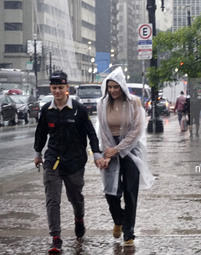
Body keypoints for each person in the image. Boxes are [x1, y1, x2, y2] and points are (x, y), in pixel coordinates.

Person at [34, 71, 105, 253]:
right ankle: (56, 239)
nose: (57, 91)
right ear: (51, 88)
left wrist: (96, 153)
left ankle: (79, 218)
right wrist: (38, 153)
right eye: (54, 88)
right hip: (53, 161)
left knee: (75, 197)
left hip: (74, 161)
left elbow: (91, 133)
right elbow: (41, 133)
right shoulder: (46, 110)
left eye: (61, 87)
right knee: (52, 200)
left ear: (67, 88)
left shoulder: (79, 109)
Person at [96, 67, 155, 247]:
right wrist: (109, 150)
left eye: (116, 87)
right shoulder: (102, 104)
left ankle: (128, 232)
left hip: (131, 148)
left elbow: (137, 130)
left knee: (130, 192)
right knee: (111, 191)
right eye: (110, 87)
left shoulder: (134, 103)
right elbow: (102, 129)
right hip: (109, 146)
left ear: (122, 86)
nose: (113, 90)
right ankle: (118, 219)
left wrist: (120, 149)